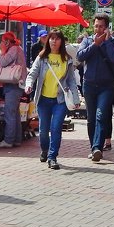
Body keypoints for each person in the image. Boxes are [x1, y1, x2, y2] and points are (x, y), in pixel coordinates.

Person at [24, 30, 81, 170]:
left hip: (59, 101)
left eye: (56, 39)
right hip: (43, 100)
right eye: (51, 38)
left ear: (61, 41)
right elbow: (33, 73)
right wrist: (29, 84)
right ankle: (44, 150)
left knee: (56, 128)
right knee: (43, 131)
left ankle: (52, 157)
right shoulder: (42, 57)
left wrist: (75, 98)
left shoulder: (66, 59)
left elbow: (72, 81)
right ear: (47, 41)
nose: (53, 41)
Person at [75, 13, 114, 162]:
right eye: (96, 26)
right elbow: (80, 56)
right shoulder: (87, 40)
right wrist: (94, 45)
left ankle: (97, 148)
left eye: (101, 26)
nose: (98, 29)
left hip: (106, 86)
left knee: (101, 116)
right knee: (91, 119)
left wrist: (106, 42)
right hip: (89, 85)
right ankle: (93, 147)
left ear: (107, 28)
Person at [0, 31, 27, 149]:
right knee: (15, 113)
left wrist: (2, 51)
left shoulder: (13, 49)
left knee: (10, 113)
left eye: (2, 41)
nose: (1, 43)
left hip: (13, 84)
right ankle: (16, 139)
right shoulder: (19, 49)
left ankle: (8, 140)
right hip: (16, 84)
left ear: (7, 41)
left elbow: (3, 62)